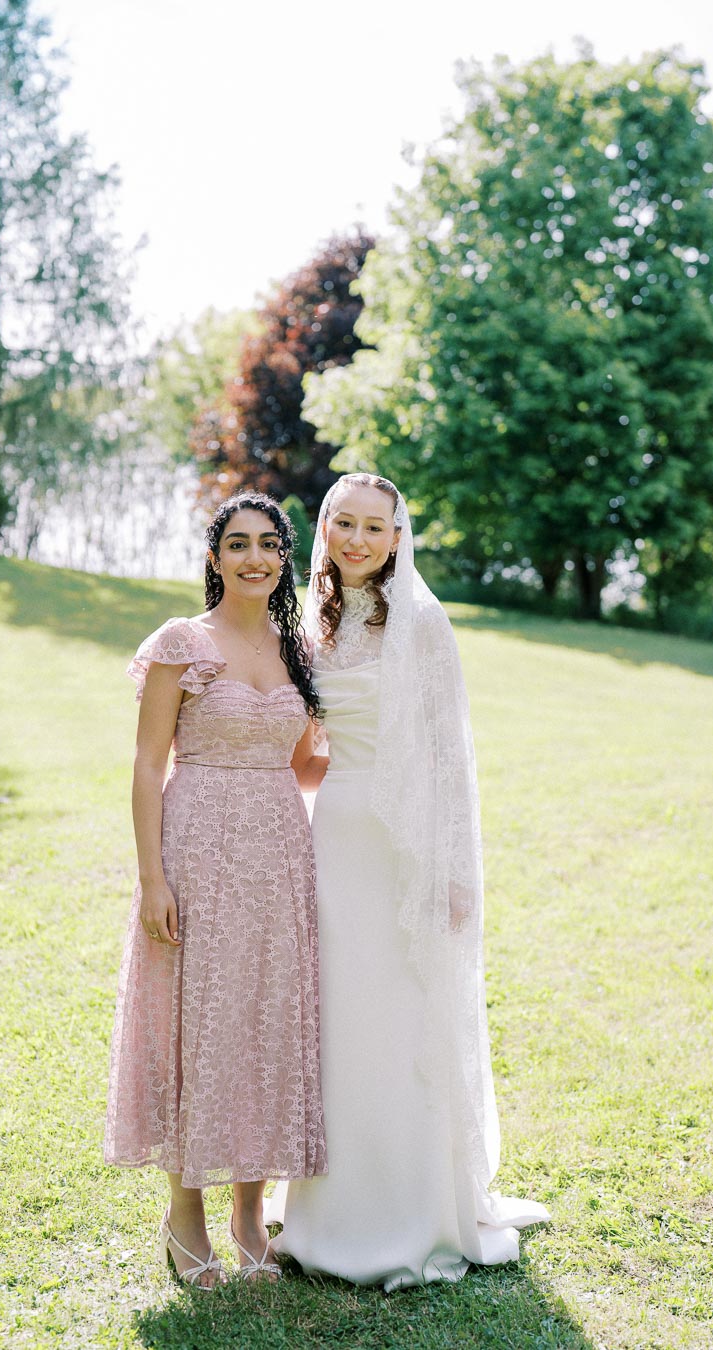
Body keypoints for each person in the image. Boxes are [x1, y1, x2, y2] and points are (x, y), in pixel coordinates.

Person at [269, 473, 548, 1289]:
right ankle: (330, 1206)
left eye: (372, 527)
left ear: (397, 537)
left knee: (400, 1013)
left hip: (407, 847)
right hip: (335, 840)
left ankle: (413, 1210)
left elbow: (449, 759)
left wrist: (456, 874)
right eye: (341, 523)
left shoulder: (423, 623)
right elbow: (312, 750)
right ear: (323, 529)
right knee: (340, 1017)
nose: (355, 539)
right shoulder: (312, 625)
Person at [104, 493, 326, 1287]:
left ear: (285, 558)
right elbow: (145, 764)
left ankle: (247, 1211)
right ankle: (185, 1215)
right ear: (214, 556)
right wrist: (152, 875)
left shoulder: (300, 646)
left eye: (270, 546)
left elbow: (304, 764)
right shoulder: (181, 643)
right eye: (239, 545)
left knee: (265, 1024)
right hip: (196, 847)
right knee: (195, 1024)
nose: (255, 559)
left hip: (278, 853)